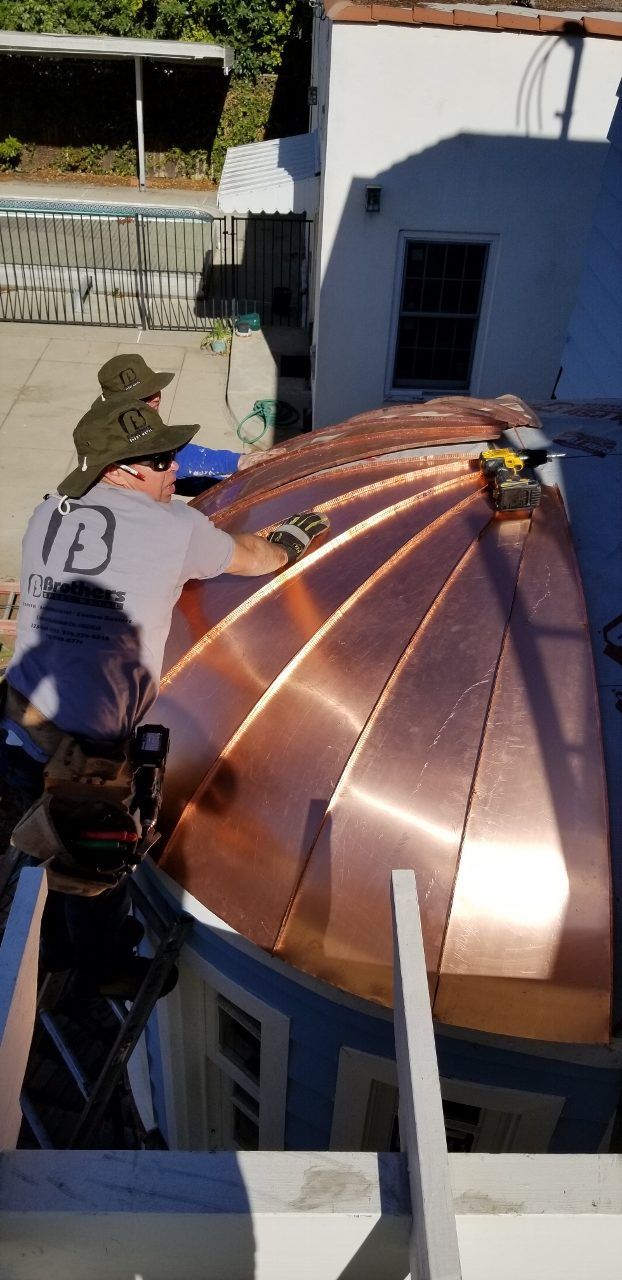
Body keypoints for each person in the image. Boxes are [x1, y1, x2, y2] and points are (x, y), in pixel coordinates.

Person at [0, 393, 327, 998]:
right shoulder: (173, 528)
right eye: (161, 460)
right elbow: (252, 557)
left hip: (19, 719)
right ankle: (96, 973)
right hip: (83, 748)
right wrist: (289, 545)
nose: (176, 469)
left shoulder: (52, 508)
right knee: (93, 866)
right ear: (119, 468)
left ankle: (56, 949)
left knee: (43, 851)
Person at [93, 353, 276, 478]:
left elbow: (172, 455)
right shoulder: (115, 436)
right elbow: (172, 462)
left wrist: (238, 464)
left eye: (155, 389)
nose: (156, 398)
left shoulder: (134, 421)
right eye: (144, 397)